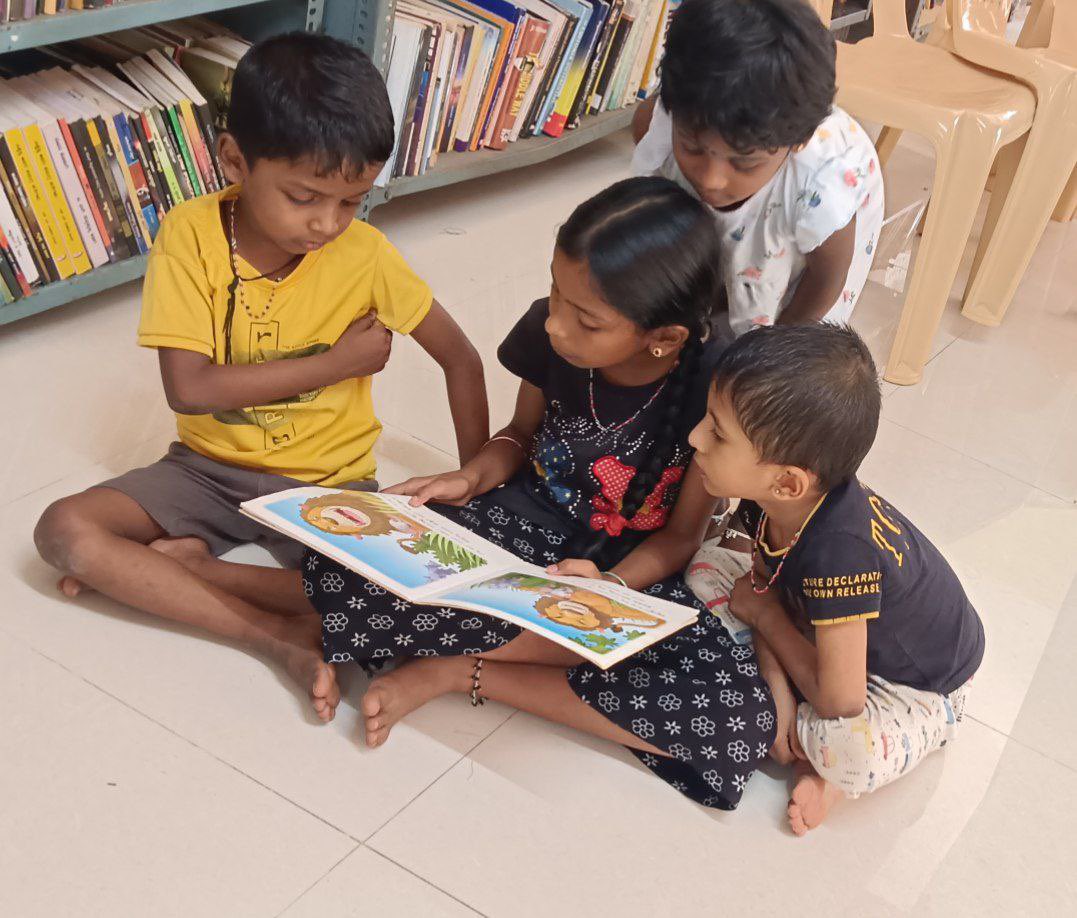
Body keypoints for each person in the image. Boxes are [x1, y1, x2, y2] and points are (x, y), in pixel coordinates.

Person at [156, 177, 777, 810]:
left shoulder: (714, 385)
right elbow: (519, 437)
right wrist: (469, 477)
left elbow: (679, 537)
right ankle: (219, 577)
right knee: (386, 567)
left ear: (664, 337)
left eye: (585, 319)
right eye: (555, 292)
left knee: (738, 719)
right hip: (524, 521)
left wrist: (610, 588)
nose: (556, 324)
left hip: (628, 571)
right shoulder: (549, 331)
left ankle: (455, 670)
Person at [33, 32, 488, 721]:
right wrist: (335, 364)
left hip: (330, 485)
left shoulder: (366, 255)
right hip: (204, 470)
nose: (326, 223)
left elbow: (461, 360)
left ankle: (191, 570)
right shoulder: (189, 236)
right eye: (304, 196)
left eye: (351, 201)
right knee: (64, 529)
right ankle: (275, 638)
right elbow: (190, 388)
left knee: (413, 588)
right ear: (233, 159)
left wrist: (473, 485)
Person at [688, 323, 984, 833]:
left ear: (787, 481)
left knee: (843, 747)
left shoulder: (839, 553)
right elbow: (761, 587)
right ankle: (788, 699)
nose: (695, 437)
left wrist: (765, 617)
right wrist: (778, 685)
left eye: (716, 432)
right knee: (705, 569)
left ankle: (830, 777)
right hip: (824, 635)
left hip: (923, 684)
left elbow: (838, 702)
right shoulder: (775, 503)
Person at [632, 0, 884, 336]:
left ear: (797, 141)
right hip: (751, 228)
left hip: (803, 252)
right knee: (724, 267)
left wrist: (776, 345)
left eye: (743, 162)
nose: (711, 179)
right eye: (692, 147)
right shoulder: (672, 111)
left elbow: (826, 279)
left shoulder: (823, 184)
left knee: (766, 302)